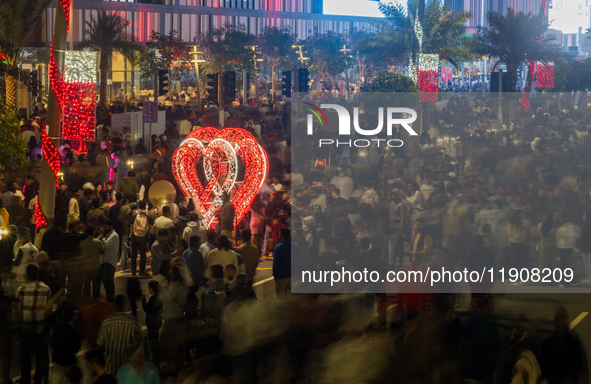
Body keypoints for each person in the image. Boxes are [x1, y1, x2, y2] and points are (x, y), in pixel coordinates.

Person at [15, 264, 51, 384]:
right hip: (40, 328)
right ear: (37, 274)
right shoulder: (46, 289)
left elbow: (18, 311)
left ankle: (25, 377)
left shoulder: (21, 289)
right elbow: (49, 310)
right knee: (40, 355)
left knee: (25, 355)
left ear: (27, 275)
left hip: (25, 328)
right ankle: (39, 377)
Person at [540, 307, 589, 384]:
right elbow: (543, 363)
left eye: (562, 321)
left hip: (568, 379)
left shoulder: (574, 341)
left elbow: (582, 362)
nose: (560, 324)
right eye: (558, 321)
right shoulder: (548, 342)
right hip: (556, 379)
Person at [97, 294, 142, 374]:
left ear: (114, 306)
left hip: (111, 369)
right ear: (125, 306)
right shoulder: (133, 323)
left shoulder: (105, 324)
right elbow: (138, 347)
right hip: (127, 369)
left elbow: (100, 345)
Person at [160, 266, 187, 367]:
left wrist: (161, 291)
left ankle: (171, 363)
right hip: (177, 314)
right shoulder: (181, 285)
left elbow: (168, 298)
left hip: (172, 316)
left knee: (167, 339)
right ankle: (177, 362)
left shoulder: (176, 286)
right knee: (176, 341)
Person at [48, 302, 82, 384]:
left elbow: (52, 344)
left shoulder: (57, 332)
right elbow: (77, 348)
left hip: (59, 364)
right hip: (71, 362)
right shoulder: (74, 332)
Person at [129, 201, 154, 276]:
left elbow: (128, 223)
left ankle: (133, 271)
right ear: (145, 206)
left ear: (138, 206)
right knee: (143, 255)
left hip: (134, 237)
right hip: (144, 238)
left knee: (134, 255)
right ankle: (141, 271)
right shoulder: (148, 215)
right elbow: (153, 223)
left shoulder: (134, 214)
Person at [141, 280, 163, 364]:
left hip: (152, 322)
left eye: (149, 288)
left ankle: (155, 359)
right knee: (156, 340)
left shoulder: (153, 298)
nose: (148, 290)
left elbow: (147, 309)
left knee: (152, 342)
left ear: (151, 288)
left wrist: (143, 300)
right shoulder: (158, 297)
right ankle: (157, 357)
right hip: (157, 322)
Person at [80, 226, 104, 299]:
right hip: (96, 267)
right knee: (96, 286)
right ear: (93, 232)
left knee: (86, 286)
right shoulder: (97, 242)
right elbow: (102, 251)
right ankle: (95, 302)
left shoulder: (81, 242)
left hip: (85, 267)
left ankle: (86, 302)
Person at [100, 220, 119, 302]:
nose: (104, 229)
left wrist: (101, 238)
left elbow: (106, 245)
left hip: (110, 261)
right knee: (106, 281)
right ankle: (109, 299)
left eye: (106, 227)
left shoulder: (114, 235)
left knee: (109, 281)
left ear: (111, 226)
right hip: (105, 260)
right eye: (103, 227)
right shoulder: (108, 235)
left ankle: (110, 300)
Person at [0, 276, 13, 384]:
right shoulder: (4, 297)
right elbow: (9, 317)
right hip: (3, 332)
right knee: (5, 359)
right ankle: (5, 380)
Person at [272, 228, 292, 298]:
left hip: (281, 277)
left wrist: (275, 275)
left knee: (281, 299)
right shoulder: (294, 246)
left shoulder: (279, 248)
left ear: (282, 236)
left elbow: (276, 264)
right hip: (292, 276)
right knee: (290, 299)